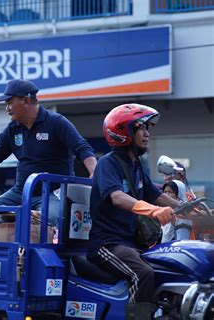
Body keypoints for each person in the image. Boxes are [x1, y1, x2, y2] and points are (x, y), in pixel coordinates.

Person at [0, 79, 97, 226]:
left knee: (50, 221)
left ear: (25, 101)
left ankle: (55, 252)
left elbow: (82, 147)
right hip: (21, 191)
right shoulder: (13, 129)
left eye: (10, 103)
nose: (7, 108)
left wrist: (94, 172)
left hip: (53, 193)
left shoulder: (56, 122)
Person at [86, 103, 181, 320]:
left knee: (169, 265)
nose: (147, 134)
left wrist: (192, 211)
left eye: (148, 128)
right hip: (106, 244)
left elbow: (157, 195)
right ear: (123, 132)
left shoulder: (136, 165)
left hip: (132, 244)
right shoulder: (107, 164)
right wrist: (154, 211)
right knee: (143, 273)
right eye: (141, 128)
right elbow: (117, 197)